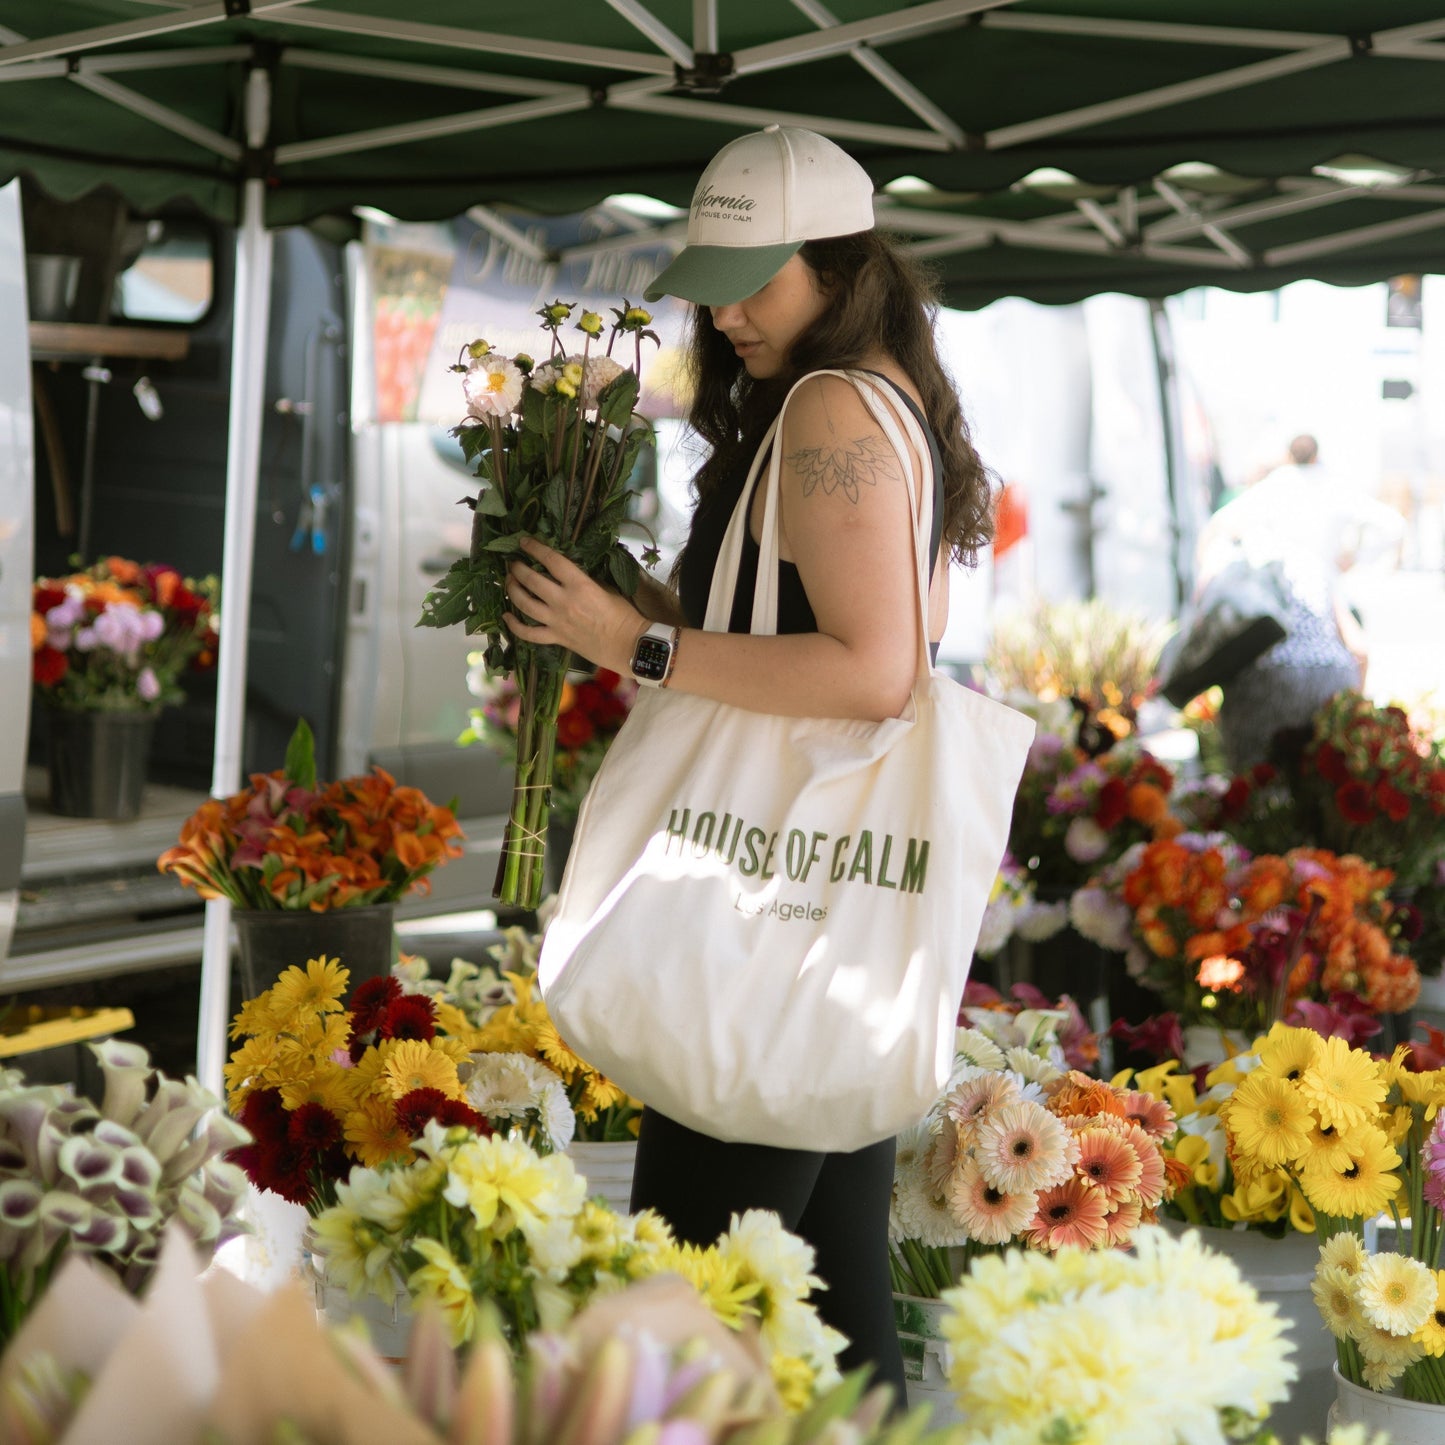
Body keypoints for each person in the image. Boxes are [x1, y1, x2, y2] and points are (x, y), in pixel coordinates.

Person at [500, 125, 994, 1397]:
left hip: (768, 912)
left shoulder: (830, 408)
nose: (722, 313)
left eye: (754, 278)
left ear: (839, 265)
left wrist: (631, 640)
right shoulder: (891, 397)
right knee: (831, 1318)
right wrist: (628, 601)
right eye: (711, 278)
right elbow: (797, 633)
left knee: (698, 1321)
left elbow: (870, 669)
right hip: (828, 920)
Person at [1197, 433, 1404, 770]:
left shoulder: (1270, 493)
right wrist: (1353, 557)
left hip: (1268, 621)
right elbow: (1394, 526)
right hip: (1324, 615)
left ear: (1288, 457)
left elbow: (1216, 528)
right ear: (1317, 456)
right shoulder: (1335, 491)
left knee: (1252, 777)